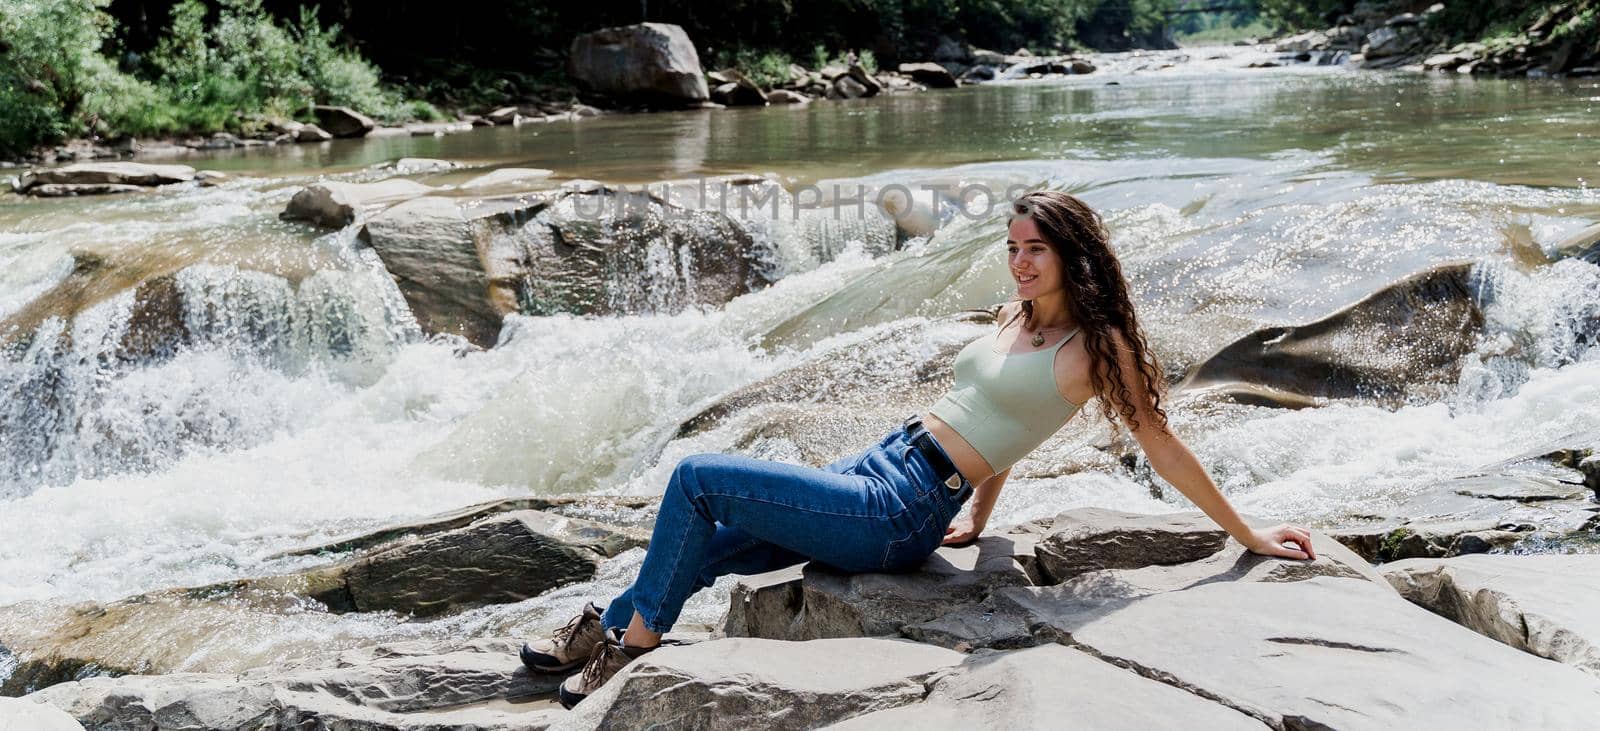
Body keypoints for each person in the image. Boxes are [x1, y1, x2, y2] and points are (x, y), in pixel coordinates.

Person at [523, 190, 1316, 708]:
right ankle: (606, 624)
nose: (1020, 260)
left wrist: (1244, 534)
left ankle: (633, 646)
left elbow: (1164, 445)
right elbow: (1011, 420)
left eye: (1035, 248)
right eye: (1012, 246)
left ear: (1075, 252)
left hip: (896, 512)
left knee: (697, 478)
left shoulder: (1097, 345)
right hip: (884, 465)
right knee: (708, 542)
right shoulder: (1018, 312)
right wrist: (979, 513)